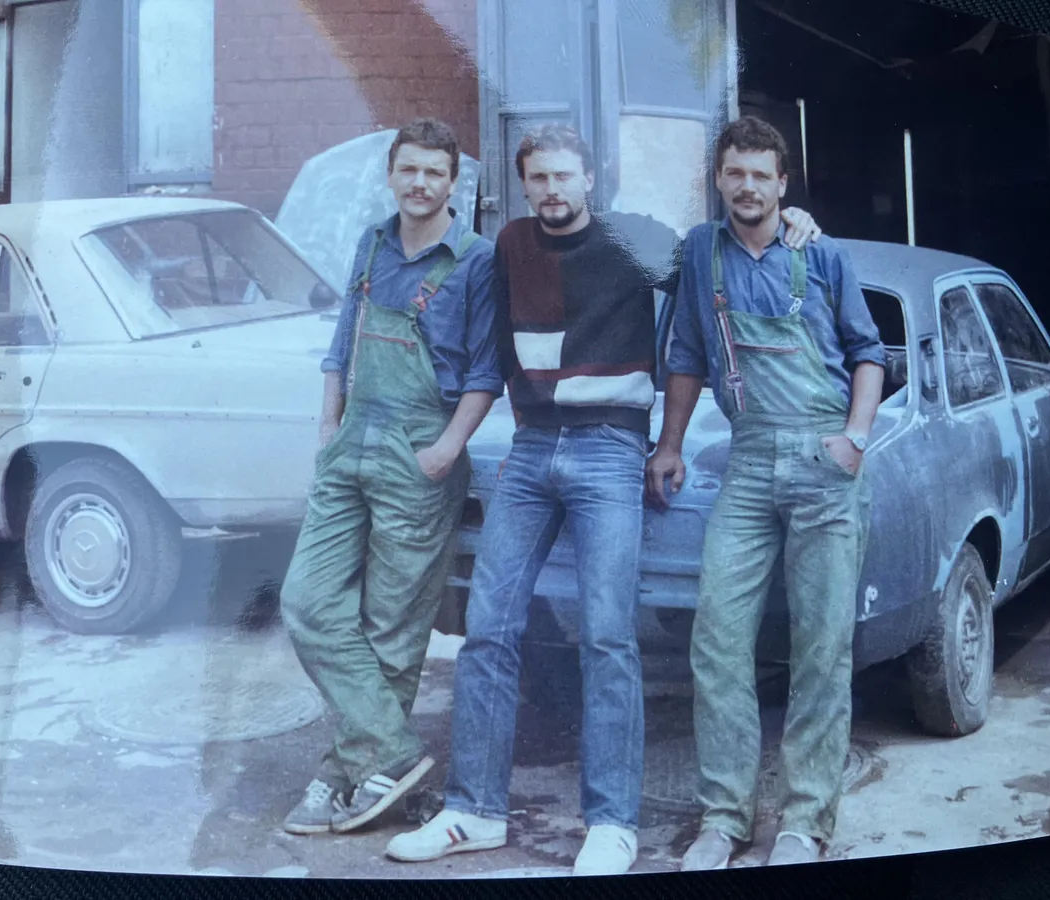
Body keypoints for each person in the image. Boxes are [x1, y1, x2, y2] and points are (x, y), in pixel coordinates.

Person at [384, 123, 822, 876]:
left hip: (610, 450)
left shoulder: (638, 241)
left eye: (566, 176)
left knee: (608, 635)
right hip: (530, 451)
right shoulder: (510, 247)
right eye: (540, 179)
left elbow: (727, 248)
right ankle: (473, 810)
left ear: (591, 179)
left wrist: (794, 222)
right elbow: (484, 351)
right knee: (486, 629)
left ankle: (612, 822)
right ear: (526, 185)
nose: (553, 190)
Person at [645, 116, 886, 871]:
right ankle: (724, 817)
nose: (747, 186)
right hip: (747, 464)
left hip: (823, 459)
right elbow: (686, 353)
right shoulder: (698, 253)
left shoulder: (823, 255)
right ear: (718, 181)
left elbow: (868, 352)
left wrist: (854, 437)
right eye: (734, 173)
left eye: (761, 175)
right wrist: (672, 442)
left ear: (783, 184)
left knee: (821, 647)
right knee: (717, 642)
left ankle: (806, 821)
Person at [279, 117, 503, 837]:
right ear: (391, 172)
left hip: (420, 447)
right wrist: (327, 424)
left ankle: (343, 775)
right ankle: (394, 753)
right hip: (352, 441)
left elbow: (485, 373)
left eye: (434, 173)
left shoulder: (475, 260)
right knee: (308, 603)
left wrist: (446, 448)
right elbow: (342, 340)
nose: (419, 183)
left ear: (452, 183)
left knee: (391, 629)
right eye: (409, 169)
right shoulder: (373, 241)